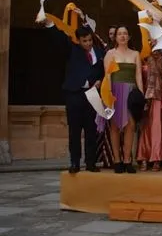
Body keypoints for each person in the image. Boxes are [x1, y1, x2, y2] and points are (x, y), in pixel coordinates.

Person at [42, 19, 105, 174]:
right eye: (84, 41)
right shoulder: (72, 49)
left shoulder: (100, 52)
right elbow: (60, 39)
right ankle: (75, 162)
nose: (88, 43)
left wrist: (100, 81)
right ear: (79, 40)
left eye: (90, 40)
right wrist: (50, 25)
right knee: (75, 131)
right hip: (75, 94)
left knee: (91, 130)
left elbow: (105, 71)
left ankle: (90, 162)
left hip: (92, 95)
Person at [99, 25, 143, 174]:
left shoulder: (135, 54)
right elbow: (107, 76)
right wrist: (108, 96)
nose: (122, 36)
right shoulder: (110, 53)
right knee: (115, 126)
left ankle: (127, 160)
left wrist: (141, 94)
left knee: (131, 125)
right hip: (115, 91)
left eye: (125, 33)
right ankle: (117, 160)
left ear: (129, 37)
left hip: (131, 92)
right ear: (116, 37)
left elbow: (138, 75)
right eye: (120, 34)